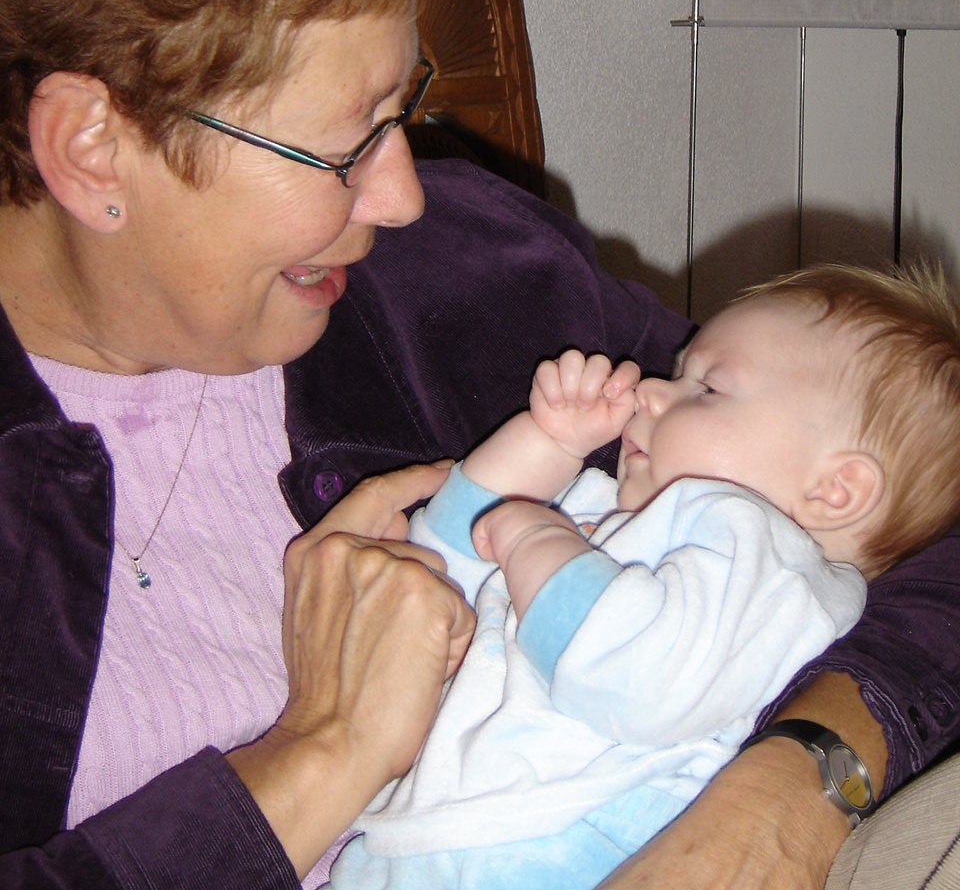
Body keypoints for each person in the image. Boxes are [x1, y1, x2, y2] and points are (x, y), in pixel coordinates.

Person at [0, 0, 958, 890]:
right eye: (345, 143)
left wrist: (796, 784)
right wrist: (323, 752)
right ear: (93, 148)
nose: (405, 193)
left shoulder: (465, 268)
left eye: (402, 109)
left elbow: (905, 477)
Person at [332, 264, 960, 889]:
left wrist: (532, 540)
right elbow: (443, 566)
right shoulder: (613, 514)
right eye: (679, 371)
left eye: (708, 389)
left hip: (566, 848)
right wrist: (549, 442)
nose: (652, 391)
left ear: (835, 489)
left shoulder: (769, 567)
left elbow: (634, 675)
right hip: (446, 840)